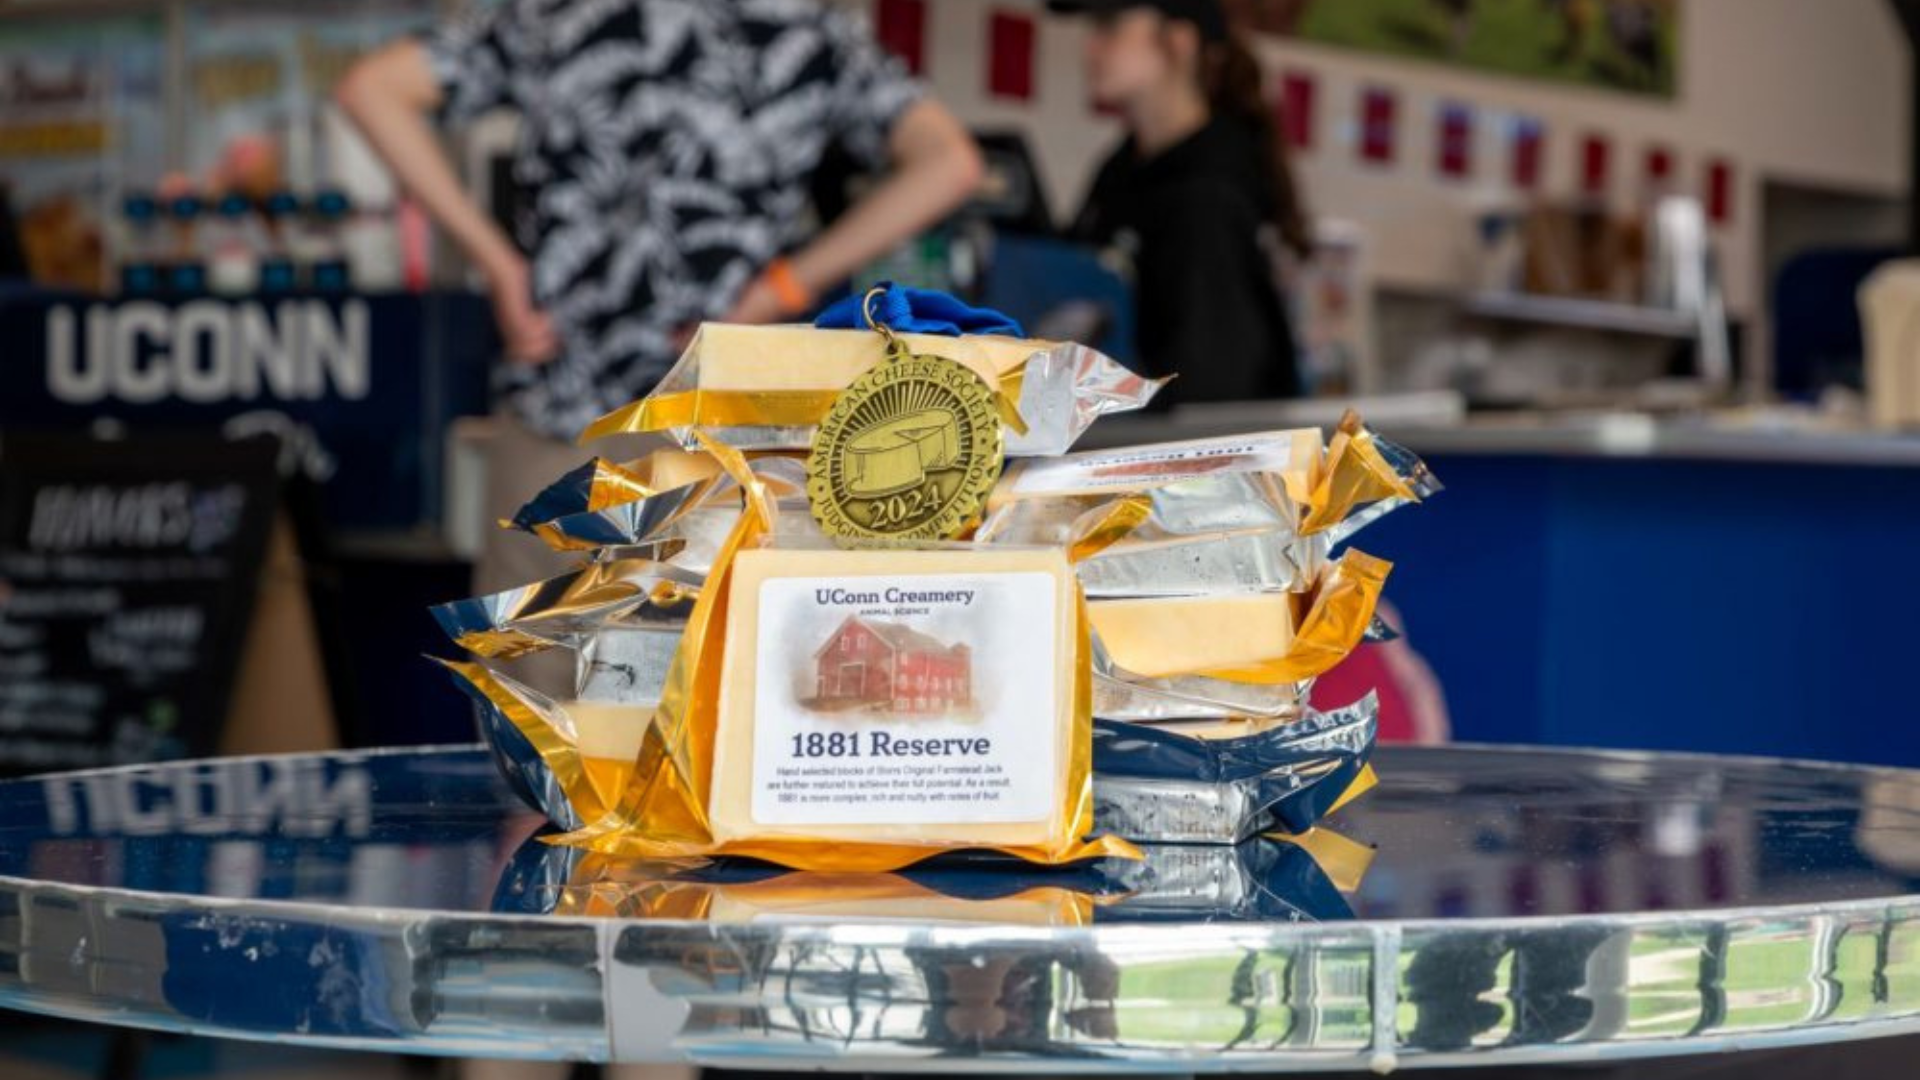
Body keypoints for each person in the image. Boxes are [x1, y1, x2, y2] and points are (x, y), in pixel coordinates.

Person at [337, 0, 984, 635]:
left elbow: (373, 89)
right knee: (714, 708)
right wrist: (782, 288)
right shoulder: (804, 29)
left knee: (539, 707)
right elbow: (949, 160)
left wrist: (499, 265)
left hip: (574, 410)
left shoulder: (551, 13)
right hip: (713, 416)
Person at [1053, 0, 1312, 405]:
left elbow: (1209, 392)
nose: (1090, 48)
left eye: (1111, 26)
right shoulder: (1122, 170)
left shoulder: (1208, 195)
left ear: (1179, 40)